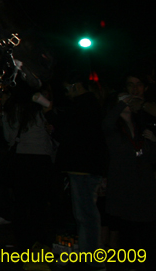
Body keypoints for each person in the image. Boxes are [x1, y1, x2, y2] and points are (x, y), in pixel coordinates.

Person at [46, 75, 106, 270]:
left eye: (68, 88)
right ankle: (90, 253)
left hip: (82, 167)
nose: (67, 93)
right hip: (88, 166)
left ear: (75, 86)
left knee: (85, 214)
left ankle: (92, 257)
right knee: (87, 213)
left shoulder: (82, 107)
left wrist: (51, 117)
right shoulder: (92, 105)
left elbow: (69, 135)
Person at [102, 88, 156, 269]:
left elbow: (150, 159)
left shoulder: (142, 128)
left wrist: (153, 143)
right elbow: (107, 122)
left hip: (144, 187)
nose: (127, 104)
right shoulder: (114, 130)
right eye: (122, 102)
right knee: (127, 232)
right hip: (124, 187)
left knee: (146, 231)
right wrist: (124, 102)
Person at [2, 88, 57, 251]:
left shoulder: (13, 110)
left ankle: (23, 242)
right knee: (39, 203)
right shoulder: (42, 109)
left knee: (21, 203)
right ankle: (41, 240)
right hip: (41, 159)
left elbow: (8, 137)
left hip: (22, 158)